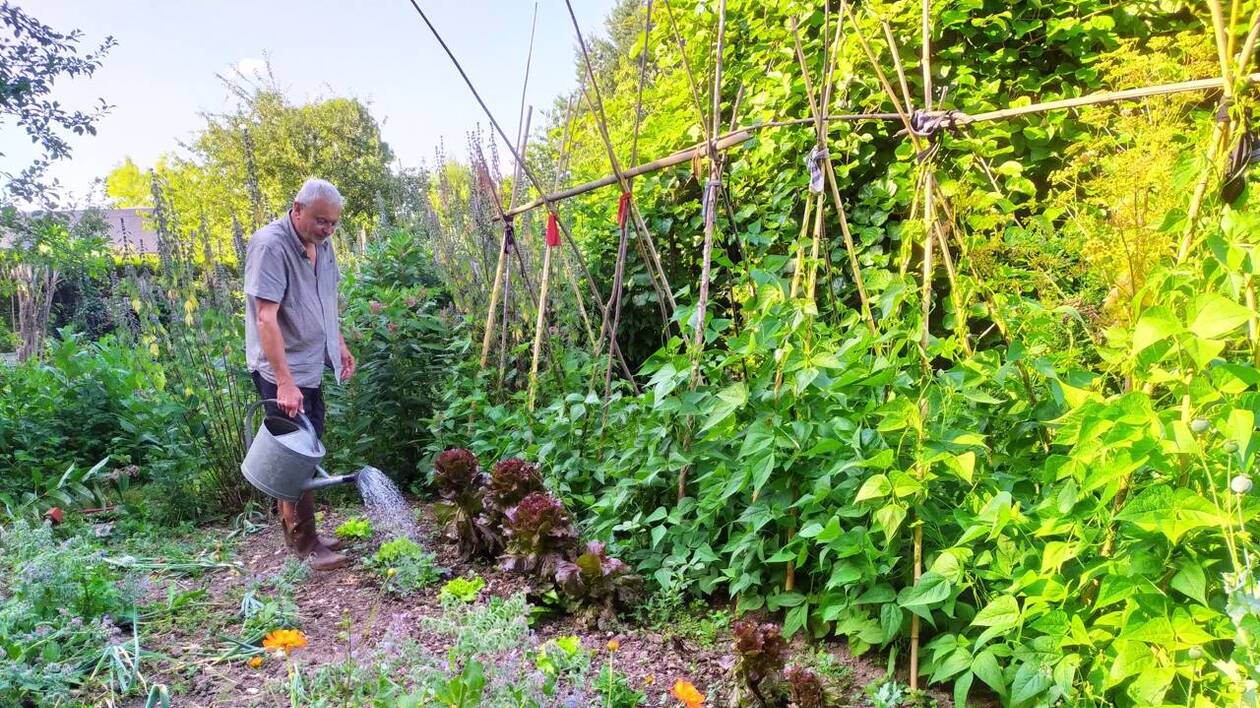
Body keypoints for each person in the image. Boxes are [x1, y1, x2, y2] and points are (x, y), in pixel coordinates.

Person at [243, 178, 356, 570]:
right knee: (295, 454)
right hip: (282, 371)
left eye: (333, 224)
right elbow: (265, 317)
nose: (327, 230)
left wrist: (337, 343)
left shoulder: (323, 249)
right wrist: (285, 382)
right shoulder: (271, 246)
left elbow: (327, 301)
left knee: (308, 447)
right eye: (321, 221)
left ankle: (303, 533)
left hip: (310, 366)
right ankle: (306, 545)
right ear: (297, 209)